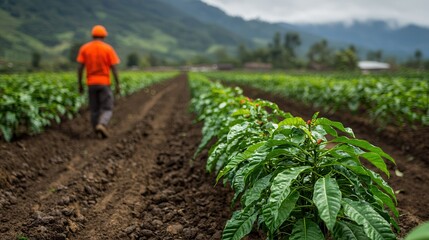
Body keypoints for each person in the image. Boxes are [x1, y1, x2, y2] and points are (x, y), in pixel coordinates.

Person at [77, 25, 120, 138]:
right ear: (104, 36)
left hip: (91, 83)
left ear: (92, 35)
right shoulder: (108, 49)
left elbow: (80, 68)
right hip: (104, 83)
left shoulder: (85, 48)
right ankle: (102, 124)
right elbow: (114, 68)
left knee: (94, 109)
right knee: (107, 108)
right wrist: (117, 84)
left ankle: (96, 130)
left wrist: (80, 84)